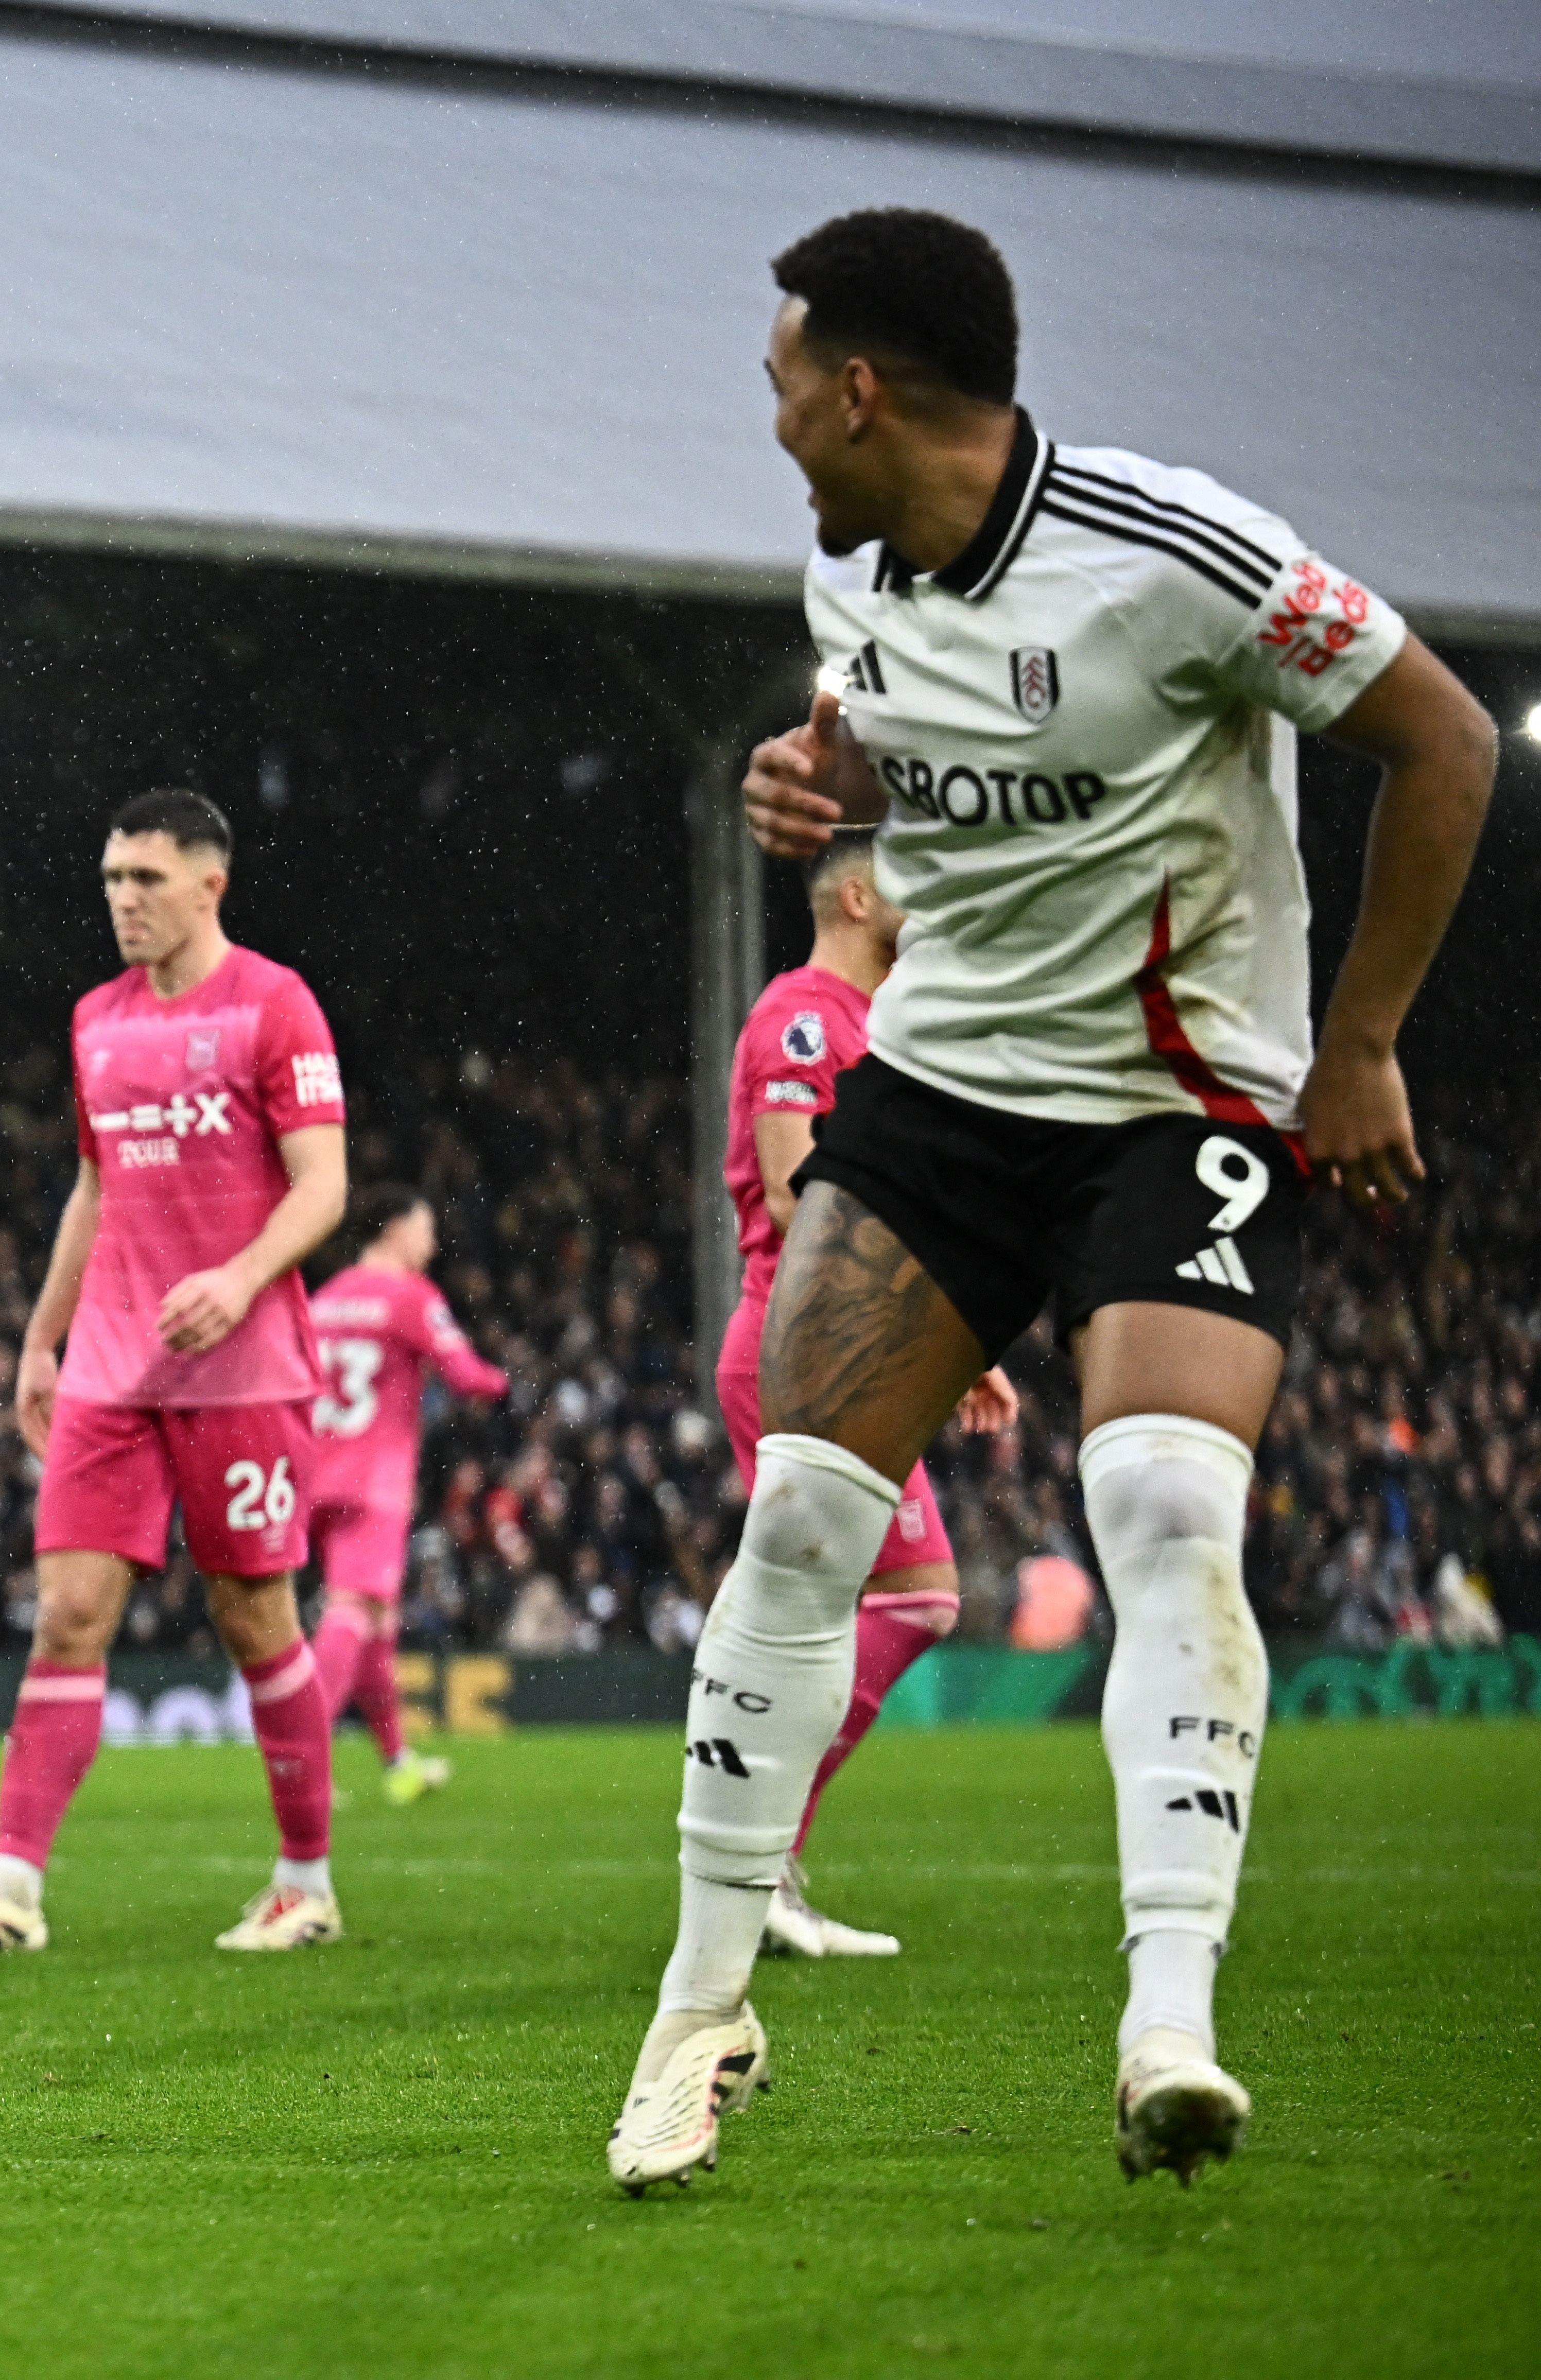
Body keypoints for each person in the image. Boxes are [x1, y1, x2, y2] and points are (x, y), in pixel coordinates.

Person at [608, 209, 1496, 2194]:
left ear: (859, 389)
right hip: (939, 1093)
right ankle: (696, 2008)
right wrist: (818, 787)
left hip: (1173, 1105)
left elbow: (1439, 736)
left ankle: (1168, 2018)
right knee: (804, 1515)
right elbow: (906, 757)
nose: (767, 425)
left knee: (1170, 1503)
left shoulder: (1177, 555)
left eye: (778, 386)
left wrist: (1362, 1044)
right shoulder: (848, 579)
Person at [0, 789, 350, 1956]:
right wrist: (41, 1338)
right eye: (110, 879)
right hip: (111, 1362)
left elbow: (322, 1184)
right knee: (64, 1612)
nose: (121, 900)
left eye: (145, 879)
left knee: (252, 1615)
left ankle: (303, 1881)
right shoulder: (94, 1019)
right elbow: (95, 1188)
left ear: (209, 883)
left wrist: (239, 1277)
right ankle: (8, 1887)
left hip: (241, 1364)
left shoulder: (273, 1003)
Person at [717, 836, 1019, 1956]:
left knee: (885, 1600)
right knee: (902, 1598)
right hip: (802, 1339)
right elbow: (802, 1198)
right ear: (855, 895)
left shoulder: (881, 1024)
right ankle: (756, 1860)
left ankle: (759, 1858)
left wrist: (944, 1332)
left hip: (859, 1339)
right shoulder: (803, 1015)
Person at [302, 1185, 508, 1804]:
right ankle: (303, 1764)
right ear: (393, 1230)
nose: (434, 1242)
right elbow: (468, 1375)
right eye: (424, 1227)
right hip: (375, 1481)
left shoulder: (324, 1300)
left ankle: (398, 1762)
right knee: (353, 1611)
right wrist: (508, 1382)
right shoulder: (411, 1297)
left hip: (316, 1471)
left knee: (379, 1623)